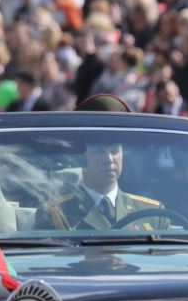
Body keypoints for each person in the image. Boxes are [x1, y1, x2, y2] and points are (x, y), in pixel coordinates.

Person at [35, 94, 168, 230]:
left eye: (115, 150)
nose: (109, 159)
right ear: (80, 157)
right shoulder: (55, 214)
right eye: (99, 151)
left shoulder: (154, 214)